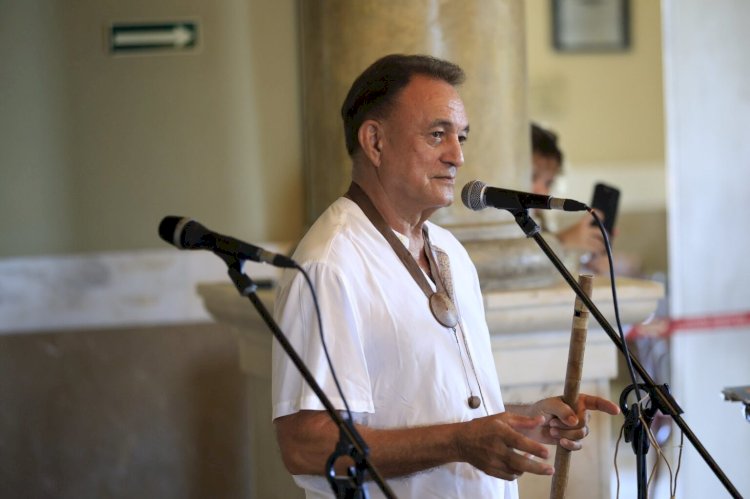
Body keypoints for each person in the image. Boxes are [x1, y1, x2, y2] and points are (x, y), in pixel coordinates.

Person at [272, 54, 620, 498]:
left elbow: (434, 404)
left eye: (461, 137)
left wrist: (523, 420)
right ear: (375, 141)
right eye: (437, 134)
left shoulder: (448, 250)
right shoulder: (329, 264)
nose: (457, 155)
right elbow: (305, 444)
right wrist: (460, 443)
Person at [531, 122, 606, 258]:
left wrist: (588, 257)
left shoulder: (538, 220)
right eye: (532, 177)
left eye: (548, 182)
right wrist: (563, 241)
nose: (542, 191)